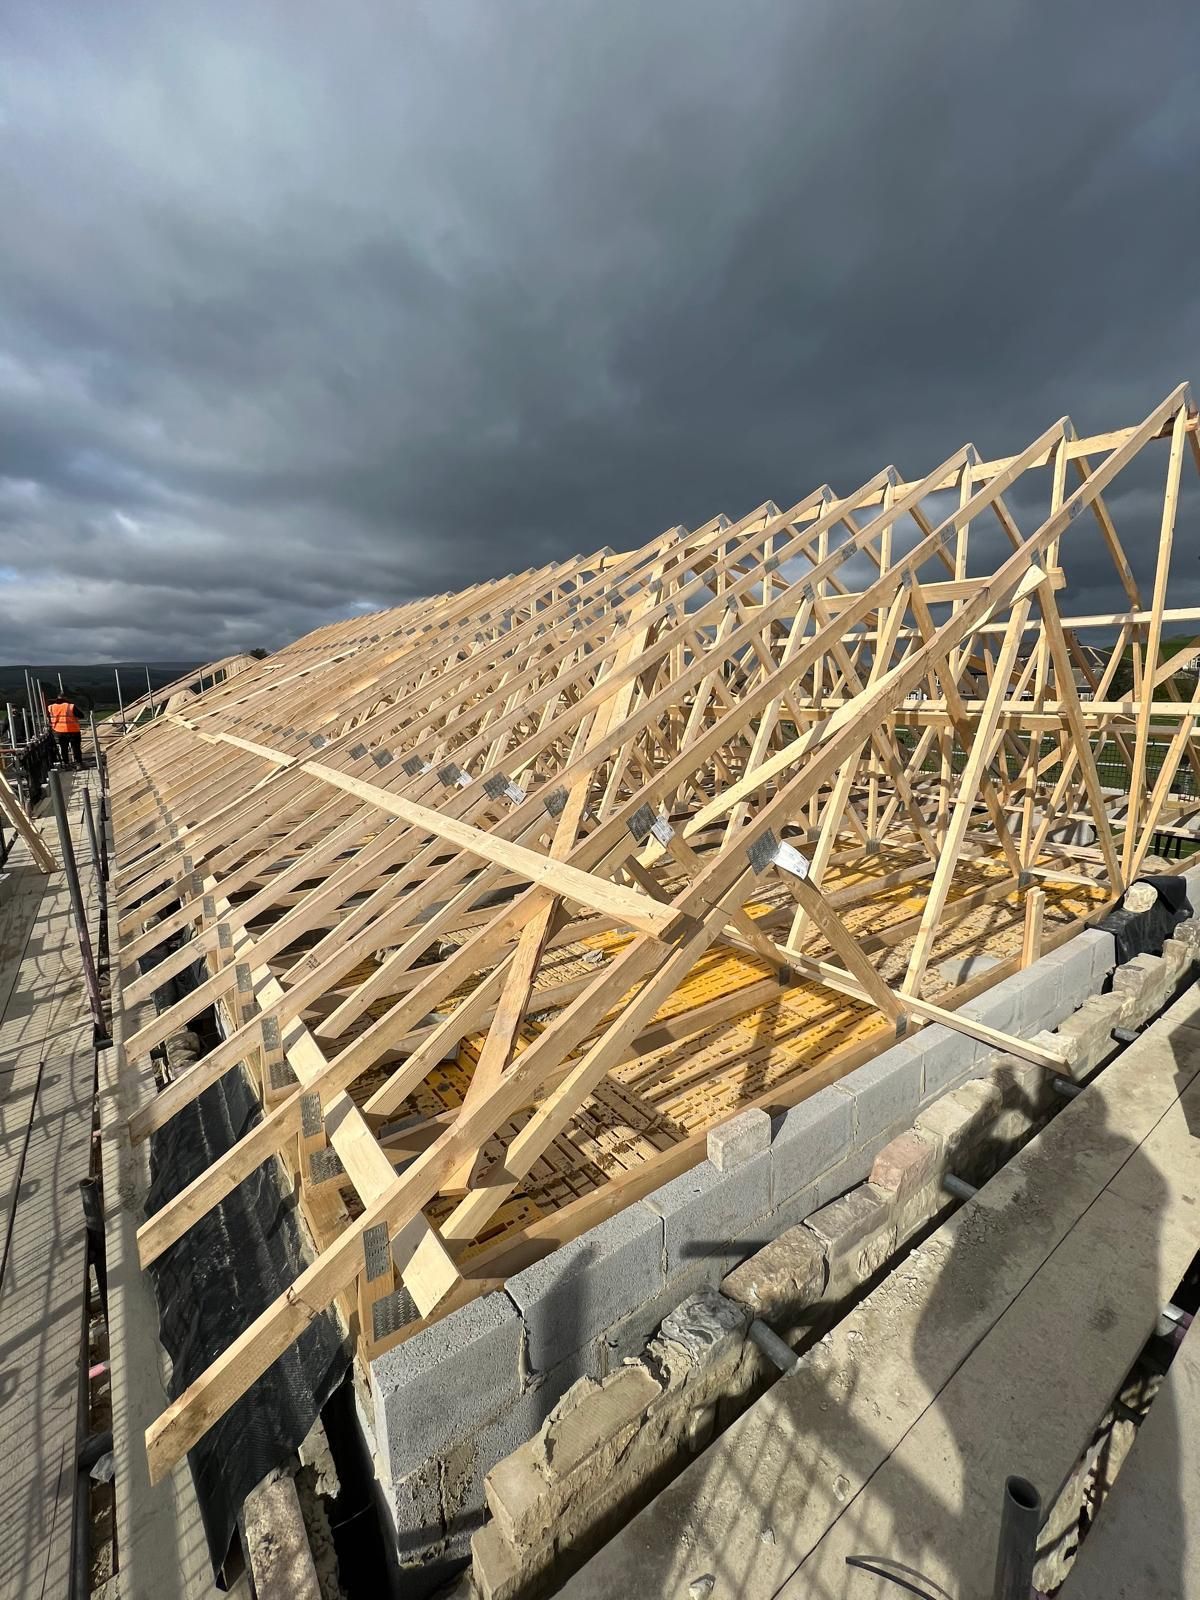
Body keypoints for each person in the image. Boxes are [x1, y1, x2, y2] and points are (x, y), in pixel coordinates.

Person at [47, 687, 84, 766]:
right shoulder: (70, 706)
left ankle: (66, 764)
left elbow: (49, 718)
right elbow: (81, 715)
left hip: (60, 731)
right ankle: (78, 763)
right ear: (66, 698)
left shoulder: (51, 707)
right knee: (76, 748)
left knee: (64, 749)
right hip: (73, 731)